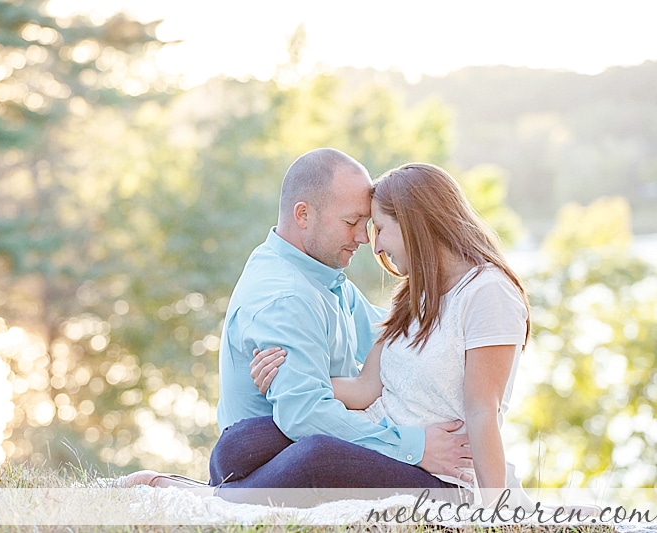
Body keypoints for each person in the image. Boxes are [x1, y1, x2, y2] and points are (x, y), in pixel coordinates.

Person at [124, 149, 472, 505]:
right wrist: (416, 446)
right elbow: (306, 415)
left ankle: (197, 492)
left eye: (367, 224)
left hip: (291, 440)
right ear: (303, 214)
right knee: (302, 454)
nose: (365, 238)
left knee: (288, 447)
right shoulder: (285, 297)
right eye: (351, 222)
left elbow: (394, 342)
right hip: (267, 460)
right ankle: (207, 499)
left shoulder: (322, 276)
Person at [252, 161, 533, 507]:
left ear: (414, 223)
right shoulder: (415, 294)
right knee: (242, 442)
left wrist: (493, 509)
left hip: (441, 474)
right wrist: (288, 376)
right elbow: (365, 388)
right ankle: (217, 495)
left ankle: (211, 502)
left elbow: (482, 411)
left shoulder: (487, 292)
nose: (375, 245)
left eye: (380, 228)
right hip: (395, 445)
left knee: (317, 456)